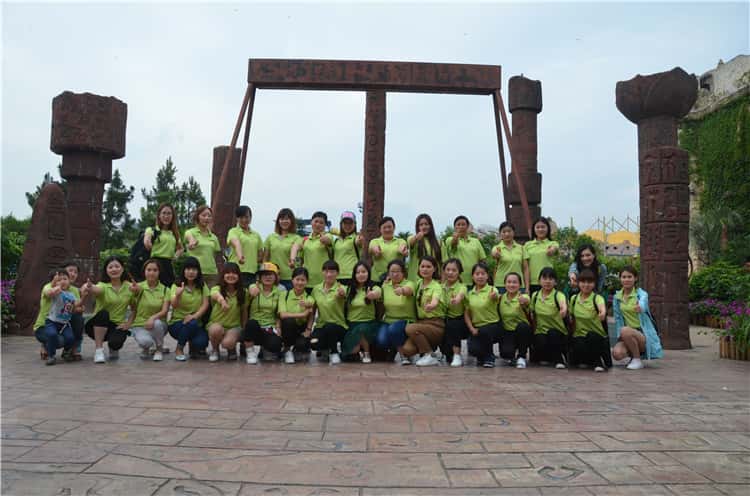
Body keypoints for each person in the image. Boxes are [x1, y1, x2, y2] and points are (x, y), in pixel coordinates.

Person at [83, 256, 134, 364]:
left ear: (122, 269)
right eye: (110, 267)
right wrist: (89, 287)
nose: (114, 269)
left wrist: (128, 323)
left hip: (117, 325)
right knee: (103, 314)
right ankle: (99, 350)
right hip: (97, 325)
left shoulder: (129, 287)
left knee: (116, 343)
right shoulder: (103, 286)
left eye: (117, 266)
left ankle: (113, 348)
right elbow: (95, 289)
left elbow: (135, 309)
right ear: (106, 271)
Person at [612, 266, 663, 370]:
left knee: (625, 330)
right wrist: (619, 336)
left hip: (642, 334)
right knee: (617, 353)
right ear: (620, 279)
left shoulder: (641, 294)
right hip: (626, 332)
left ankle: (637, 359)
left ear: (635, 278)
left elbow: (643, 304)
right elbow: (618, 319)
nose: (626, 280)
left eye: (629, 277)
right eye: (624, 277)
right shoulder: (617, 297)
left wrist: (640, 307)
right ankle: (633, 357)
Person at [403, 256, 446, 366]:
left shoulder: (436, 286)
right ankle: (431, 351)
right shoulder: (418, 283)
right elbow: (407, 286)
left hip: (436, 324)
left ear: (434, 269)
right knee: (407, 350)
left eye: (428, 267)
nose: (425, 269)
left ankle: (429, 355)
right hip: (422, 324)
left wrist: (431, 305)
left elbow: (435, 300)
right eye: (422, 266)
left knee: (410, 328)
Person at [35, 269, 84, 365]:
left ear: (69, 281)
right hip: (50, 322)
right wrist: (55, 284)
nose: (62, 281)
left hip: (64, 324)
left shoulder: (70, 294)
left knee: (70, 337)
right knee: (53, 336)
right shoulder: (55, 291)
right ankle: (51, 355)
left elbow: (77, 304)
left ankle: (66, 352)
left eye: (65, 279)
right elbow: (50, 293)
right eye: (59, 279)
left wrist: (84, 296)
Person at [168, 256, 210, 362]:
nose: (191, 272)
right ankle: (179, 349)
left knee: (202, 342)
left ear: (198, 271)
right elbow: (174, 305)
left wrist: (193, 316)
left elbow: (205, 304)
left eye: (194, 269)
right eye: (188, 269)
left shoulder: (202, 285)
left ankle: (193, 344)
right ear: (183, 271)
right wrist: (178, 295)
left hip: (195, 322)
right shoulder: (176, 285)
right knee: (192, 324)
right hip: (177, 323)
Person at [127, 259, 169, 362]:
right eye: (149, 270)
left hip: (158, 325)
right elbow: (135, 296)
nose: (151, 273)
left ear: (159, 272)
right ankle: (146, 347)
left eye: (155, 270)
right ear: (144, 271)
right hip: (140, 325)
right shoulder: (139, 287)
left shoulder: (165, 290)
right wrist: (134, 291)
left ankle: (159, 349)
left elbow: (164, 311)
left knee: (157, 323)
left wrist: (152, 318)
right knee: (145, 342)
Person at [569, 268, 611, 372]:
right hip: (580, 337)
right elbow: (571, 319)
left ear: (594, 283)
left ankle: (598, 362)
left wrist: (602, 313)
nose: (586, 285)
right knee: (577, 344)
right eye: (583, 282)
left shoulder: (597, 298)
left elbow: (602, 308)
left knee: (591, 336)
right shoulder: (574, 299)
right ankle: (587, 360)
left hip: (597, 338)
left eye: (589, 282)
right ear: (578, 283)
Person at [375, 259, 416, 365]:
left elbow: (409, 290)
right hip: (388, 320)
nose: (395, 274)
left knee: (393, 330)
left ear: (403, 272)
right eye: (392, 272)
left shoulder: (409, 283)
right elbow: (381, 304)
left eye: (398, 271)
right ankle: (394, 348)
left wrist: (402, 290)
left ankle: (403, 355)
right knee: (381, 341)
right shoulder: (385, 285)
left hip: (405, 320)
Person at [242, 262, 283, 364]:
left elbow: (279, 312)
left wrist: (278, 326)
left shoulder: (280, 292)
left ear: (276, 277)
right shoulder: (253, 288)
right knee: (251, 324)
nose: (268, 277)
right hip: (254, 326)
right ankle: (250, 352)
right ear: (259, 277)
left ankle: (265, 349)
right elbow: (245, 308)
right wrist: (244, 326)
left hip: (269, 327)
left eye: (271, 274)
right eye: (265, 274)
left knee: (276, 344)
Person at [341, 261, 381, 363]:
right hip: (352, 324)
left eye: (364, 272)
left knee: (362, 329)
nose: (361, 274)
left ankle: (367, 353)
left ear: (368, 273)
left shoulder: (373, 287)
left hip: (369, 323)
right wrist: (339, 293)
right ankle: (359, 351)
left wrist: (372, 295)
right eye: (358, 272)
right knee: (351, 352)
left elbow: (378, 292)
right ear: (354, 275)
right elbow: (340, 291)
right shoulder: (349, 289)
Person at [529, 267, 569, 369]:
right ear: (539, 280)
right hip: (541, 332)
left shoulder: (558, 295)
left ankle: (559, 360)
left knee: (552, 333)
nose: (547, 281)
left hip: (558, 333)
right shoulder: (535, 296)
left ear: (555, 282)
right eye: (544, 278)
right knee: (539, 341)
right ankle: (548, 356)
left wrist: (563, 309)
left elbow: (563, 304)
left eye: (551, 279)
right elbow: (532, 314)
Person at [310, 260, 348, 364]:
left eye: (332, 272)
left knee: (330, 327)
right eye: (326, 271)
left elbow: (345, 296)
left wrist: (342, 295)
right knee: (313, 343)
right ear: (322, 272)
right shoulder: (316, 289)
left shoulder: (342, 288)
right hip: (321, 325)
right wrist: (309, 328)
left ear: (337, 273)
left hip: (339, 326)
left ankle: (334, 352)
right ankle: (325, 348)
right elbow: (312, 311)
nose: (329, 274)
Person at [465, 262, 502, 368]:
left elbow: (496, 296)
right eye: (477, 274)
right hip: (477, 327)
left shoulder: (492, 289)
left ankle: (489, 357)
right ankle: (482, 356)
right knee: (473, 349)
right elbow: (467, 314)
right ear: (472, 276)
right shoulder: (470, 294)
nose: (480, 276)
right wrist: (472, 329)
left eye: (483, 274)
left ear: (487, 276)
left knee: (485, 331)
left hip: (492, 326)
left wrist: (494, 296)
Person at [207, 262, 246, 362]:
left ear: (239, 276)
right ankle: (215, 350)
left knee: (227, 343)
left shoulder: (243, 292)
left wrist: (244, 328)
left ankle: (231, 349)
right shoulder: (217, 288)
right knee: (215, 330)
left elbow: (244, 312)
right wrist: (222, 300)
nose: (231, 275)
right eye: (228, 273)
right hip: (216, 324)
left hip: (234, 327)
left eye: (234, 273)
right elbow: (214, 294)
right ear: (223, 275)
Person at [278, 267, 315, 364]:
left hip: (301, 329)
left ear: (307, 281)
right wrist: (302, 314)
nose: (300, 282)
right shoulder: (284, 295)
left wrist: (308, 330)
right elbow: (282, 315)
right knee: (288, 321)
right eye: (297, 279)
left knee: (302, 345)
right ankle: (287, 349)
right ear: (292, 280)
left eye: (303, 280)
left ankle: (298, 349)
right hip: (288, 329)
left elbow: (311, 313)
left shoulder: (309, 298)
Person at [497, 272, 533, 368]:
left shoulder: (523, 296)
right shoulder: (501, 298)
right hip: (507, 332)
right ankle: (512, 354)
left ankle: (521, 356)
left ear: (520, 285)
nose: (511, 285)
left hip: (522, 332)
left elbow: (526, 300)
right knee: (506, 353)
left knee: (523, 327)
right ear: (505, 284)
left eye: (514, 282)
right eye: (509, 282)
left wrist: (524, 301)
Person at [144, 203, 183, 287]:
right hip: (155, 264)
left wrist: (175, 256)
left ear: (172, 216)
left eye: (169, 213)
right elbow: (146, 241)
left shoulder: (174, 233)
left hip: (168, 265)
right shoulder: (152, 230)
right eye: (164, 213)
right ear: (159, 215)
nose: (166, 216)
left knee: (169, 289)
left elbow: (180, 248)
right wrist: (148, 242)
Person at [292, 211, 333, 290]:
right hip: (307, 281)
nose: (318, 224)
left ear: (325, 225)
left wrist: (323, 237)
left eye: (321, 223)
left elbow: (327, 240)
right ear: (311, 222)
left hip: (323, 282)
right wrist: (293, 261)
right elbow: (299, 259)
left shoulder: (328, 235)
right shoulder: (305, 240)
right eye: (316, 221)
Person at [264, 208, 302, 290]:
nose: (284, 221)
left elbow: (295, 248)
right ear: (278, 221)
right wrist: (263, 275)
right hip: (272, 277)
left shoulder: (297, 238)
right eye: (282, 219)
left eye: (287, 219)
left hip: (289, 278)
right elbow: (265, 258)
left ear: (291, 221)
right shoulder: (270, 237)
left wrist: (292, 260)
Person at [443, 215, 486, 286]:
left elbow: (482, 260)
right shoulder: (449, 239)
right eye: (458, 225)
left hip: (475, 281)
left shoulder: (476, 241)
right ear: (454, 227)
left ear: (467, 226)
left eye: (463, 224)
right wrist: (456, 238)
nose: (461, 227)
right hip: (457, 281)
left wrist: (482, 275)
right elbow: (453, 244)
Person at [227, 205, 264, 288]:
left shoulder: (256, 235)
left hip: (252, 272)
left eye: (247, 217)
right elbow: (236, 243)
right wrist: (240, 257)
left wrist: (253, 262)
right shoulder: (233, 231)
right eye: (241, 217)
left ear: (250, 218)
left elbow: (260, 254)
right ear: (237, 218)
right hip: (235, 272)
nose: (244, 220)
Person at [441, 258, 469, 367]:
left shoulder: (462, 287)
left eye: (454, 270)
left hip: (460, 321)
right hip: (444, 319)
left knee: (453, 324)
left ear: (459, 272)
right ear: (444, 271)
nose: (450, 273)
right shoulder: (440, 287)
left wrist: (457, 299)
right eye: (448, 270)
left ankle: (457, 355)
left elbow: (461, 295)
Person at [184, 205, 221, 288]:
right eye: (204, 215)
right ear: (198, 217)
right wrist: (192, 242)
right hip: (195, 273)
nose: (206, 218)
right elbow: (189, 238)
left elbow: (215, 255)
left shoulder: (214, 237)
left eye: (209, 216)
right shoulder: (190, 232)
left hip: (212, 274)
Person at [523, 217, 559, 295]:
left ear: (548, 228)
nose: (540, 229)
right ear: (534, 229)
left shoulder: (553, 243)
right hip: (532, 283)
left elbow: (554, 249)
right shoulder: (527, 245)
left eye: (543, 227)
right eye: (538, 227)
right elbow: (526, 267)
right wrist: (527, 287)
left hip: (548, 282)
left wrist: (551, 250)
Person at [369, 217, 408, 283]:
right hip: (377, 279)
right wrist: (376, 251)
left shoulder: (401, 241)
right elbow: (373, 248)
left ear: (394, 228)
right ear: (380, 229)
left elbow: (402, 247)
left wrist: (402, 251)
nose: (387, 230)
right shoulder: (374, 241)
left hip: (396, 279)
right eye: (384, 227)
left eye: (389, 227)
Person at [407, 214, 442, 283]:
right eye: (421, 225)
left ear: (430, 226)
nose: (424, 226)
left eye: (426, 224)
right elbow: (411, 243)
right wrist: (416, 238)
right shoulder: (412, 239)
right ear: (417, 227)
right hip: (415, 281)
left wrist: (443, 280)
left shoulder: (439, 242)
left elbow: (443, 262)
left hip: (435, 281)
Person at [491, 221, 525, 292]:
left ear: (513, 232)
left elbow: (526, 268)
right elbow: (494, 255)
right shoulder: (497, 248)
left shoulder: (521, 248)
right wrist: (495, 254)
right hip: (501, 284)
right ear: (500, 234)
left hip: (518, 283)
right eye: (504, 232)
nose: (507, 234)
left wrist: (527, 287)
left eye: (509, 231)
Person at [333, 211, 363, 286]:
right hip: (337, 276)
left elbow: (359, 242)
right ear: (341, 224)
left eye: (350, 223)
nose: (347, 225)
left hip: (352, 275)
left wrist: (360, 240)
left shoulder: (356, 238)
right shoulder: (336, 240)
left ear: (355, 224)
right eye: (345, 223)